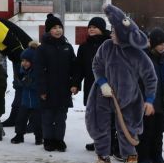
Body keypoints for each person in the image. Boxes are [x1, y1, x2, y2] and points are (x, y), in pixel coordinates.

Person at [85, 4, 157, 163]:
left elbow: (150, 77)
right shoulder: (107, 46)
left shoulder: (138, 55)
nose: (111, 34)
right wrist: (102, 83)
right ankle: (103, 158)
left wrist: (149, 100)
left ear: (123, 34)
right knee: (99, 126)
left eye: (114, 31)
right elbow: (97, 65)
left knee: (128, 128)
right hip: (103, 95)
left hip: (129, 98)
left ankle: (130, 158)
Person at [36, 14, 78, 152]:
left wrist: (75, 84)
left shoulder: (67, 47)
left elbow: (74, 68)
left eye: (60, 27)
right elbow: (39, 71)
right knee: (47, 117)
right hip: (47, 90)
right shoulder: (42, 49)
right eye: (54, 27)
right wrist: (42, 90)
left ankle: (59, 140)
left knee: (61, 118)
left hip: (63, 90)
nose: (58, 30)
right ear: (48, 30)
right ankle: (48, 140)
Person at [137, 28, 164, 163]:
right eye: (160, 44)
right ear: (153, 43)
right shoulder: (144, 58)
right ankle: (143, 156)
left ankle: (157, 154)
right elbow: (139, 81)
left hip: (162, 100)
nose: (163, 47)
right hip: (148, 101)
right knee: (147, 130)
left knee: (159, 130)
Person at [74, 16, 114, 152]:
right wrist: (75, 84)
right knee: (95, 116)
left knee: (110, 115)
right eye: (90, 27)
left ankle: (112, 142)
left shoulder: (110, 44)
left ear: (102, 29)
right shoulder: (84, 47)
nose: (91, 30)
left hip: (109, 86)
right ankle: (99, 141)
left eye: (95, 27)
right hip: (91, 86)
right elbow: (79, 68)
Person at [10, 44, 43, 145]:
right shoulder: (22, 71)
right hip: (25, 101)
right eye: (23, 61)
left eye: (27, 61)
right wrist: (20, 81)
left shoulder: (38, 72)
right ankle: (19, 135)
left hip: (37, 102)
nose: (24, 63)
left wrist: (30, 83)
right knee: (20, 119)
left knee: (37, 121)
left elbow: (39, 85)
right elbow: (19, 84)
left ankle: (39, 137)